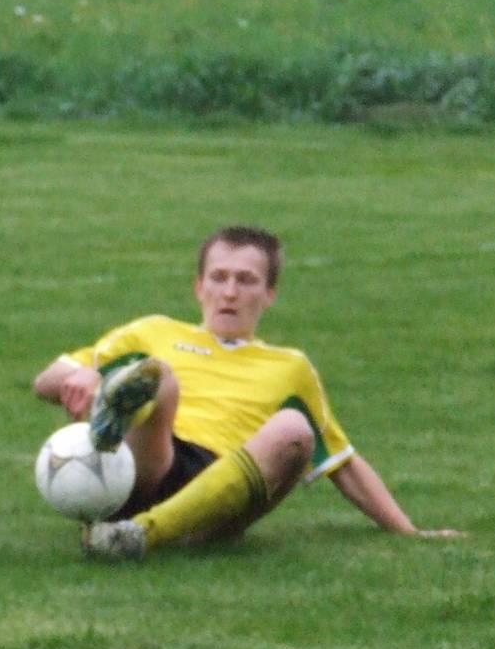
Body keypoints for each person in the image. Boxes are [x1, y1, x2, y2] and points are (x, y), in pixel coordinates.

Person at [32, 225, 461, 559]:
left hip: (222, 486)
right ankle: (114, 420)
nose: (230, 292)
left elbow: (342, 463)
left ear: (269, 294)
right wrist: (87, 377)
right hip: (148, 458)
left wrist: (408, 532)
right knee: (159, 377)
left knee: (294, 429)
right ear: (199, 287)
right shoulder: (154, 331)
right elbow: (46, 381)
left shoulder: (290, 366)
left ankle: (136, 535)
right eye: (218, 278)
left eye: (246, 280)